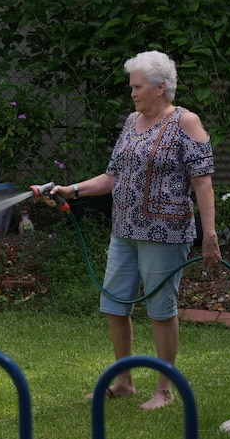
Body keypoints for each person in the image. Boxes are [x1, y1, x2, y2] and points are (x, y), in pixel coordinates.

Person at [49, 50, 221, 410]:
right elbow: (113, 177)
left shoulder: (186, 122)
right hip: (124, 230)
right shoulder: (131, 122)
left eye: (137, 87)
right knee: (115, 304)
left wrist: (211, 236)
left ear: (160, 88)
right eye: (132, 87)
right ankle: (124, 381)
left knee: (160, 309)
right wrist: (73, 190)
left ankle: (164, 389)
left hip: (165, 233)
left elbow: (202, 184)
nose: (132, 93)